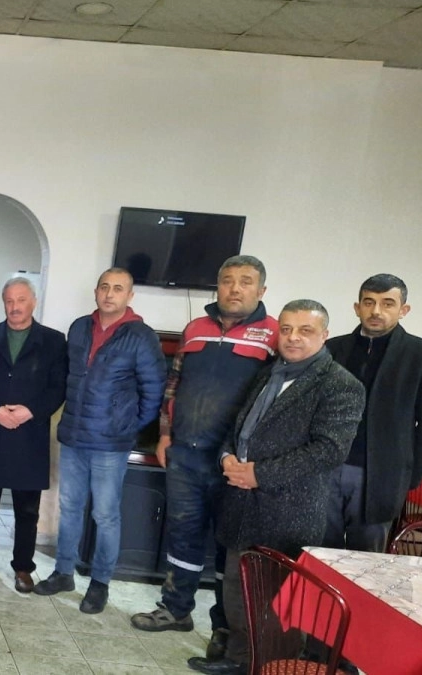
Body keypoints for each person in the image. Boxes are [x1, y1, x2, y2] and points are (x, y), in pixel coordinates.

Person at [187, 300, 364, 675]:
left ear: (324, 335)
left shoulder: (341, 385)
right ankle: (239, 660)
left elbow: (328, 450)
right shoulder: (269, 373)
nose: (293, 337)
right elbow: (239, 428)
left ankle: (272, 668)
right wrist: (226, 458)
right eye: (286, 329)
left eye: (305, 330)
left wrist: (260, 475)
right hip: (241, 502)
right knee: (238, 592)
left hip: (288, 512)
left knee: (276, 605)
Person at [131, 256, 279, 665]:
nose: (235, 288)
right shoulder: (195, 328)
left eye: (245, 281)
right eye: (227, 280)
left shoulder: (273, 335)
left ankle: (224, 629)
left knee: (228, 549)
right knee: (183, 536)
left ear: (261, 290)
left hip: (233, 465)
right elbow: (173, 385)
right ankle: (176, 609)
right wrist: (165, 435)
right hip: (185, 455)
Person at [35, 268, 166, 613]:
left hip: (111, 443)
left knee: (106, 515)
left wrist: (126, 425)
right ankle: (63, 572)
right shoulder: (79, 327)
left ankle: (100, 583)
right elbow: (67, 375)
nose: (109, 294)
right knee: (69, 507)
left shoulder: (141, 336)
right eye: (104, 287)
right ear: (96, 291)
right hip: (74, 436)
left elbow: (154, 391)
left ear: (129, 296)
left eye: (118, 288)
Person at [0, 276, 67, 593]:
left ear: (33, 302)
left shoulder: (53, 341)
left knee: (27, 509)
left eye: (21, 300)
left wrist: (30, 411)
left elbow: (58, 387)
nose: (15, 306)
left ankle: (23, 567)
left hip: (29, 434)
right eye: (9, 300)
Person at [324, 274, 422, 551]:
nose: (376, 311)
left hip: (381, 474)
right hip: (327, 467)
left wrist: (411, 474)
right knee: (319, 553)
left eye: (387, 303)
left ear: (403, 310)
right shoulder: (332, 348)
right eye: (369, 302)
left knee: (366, 557)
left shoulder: (421, 354)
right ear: (357, 307)